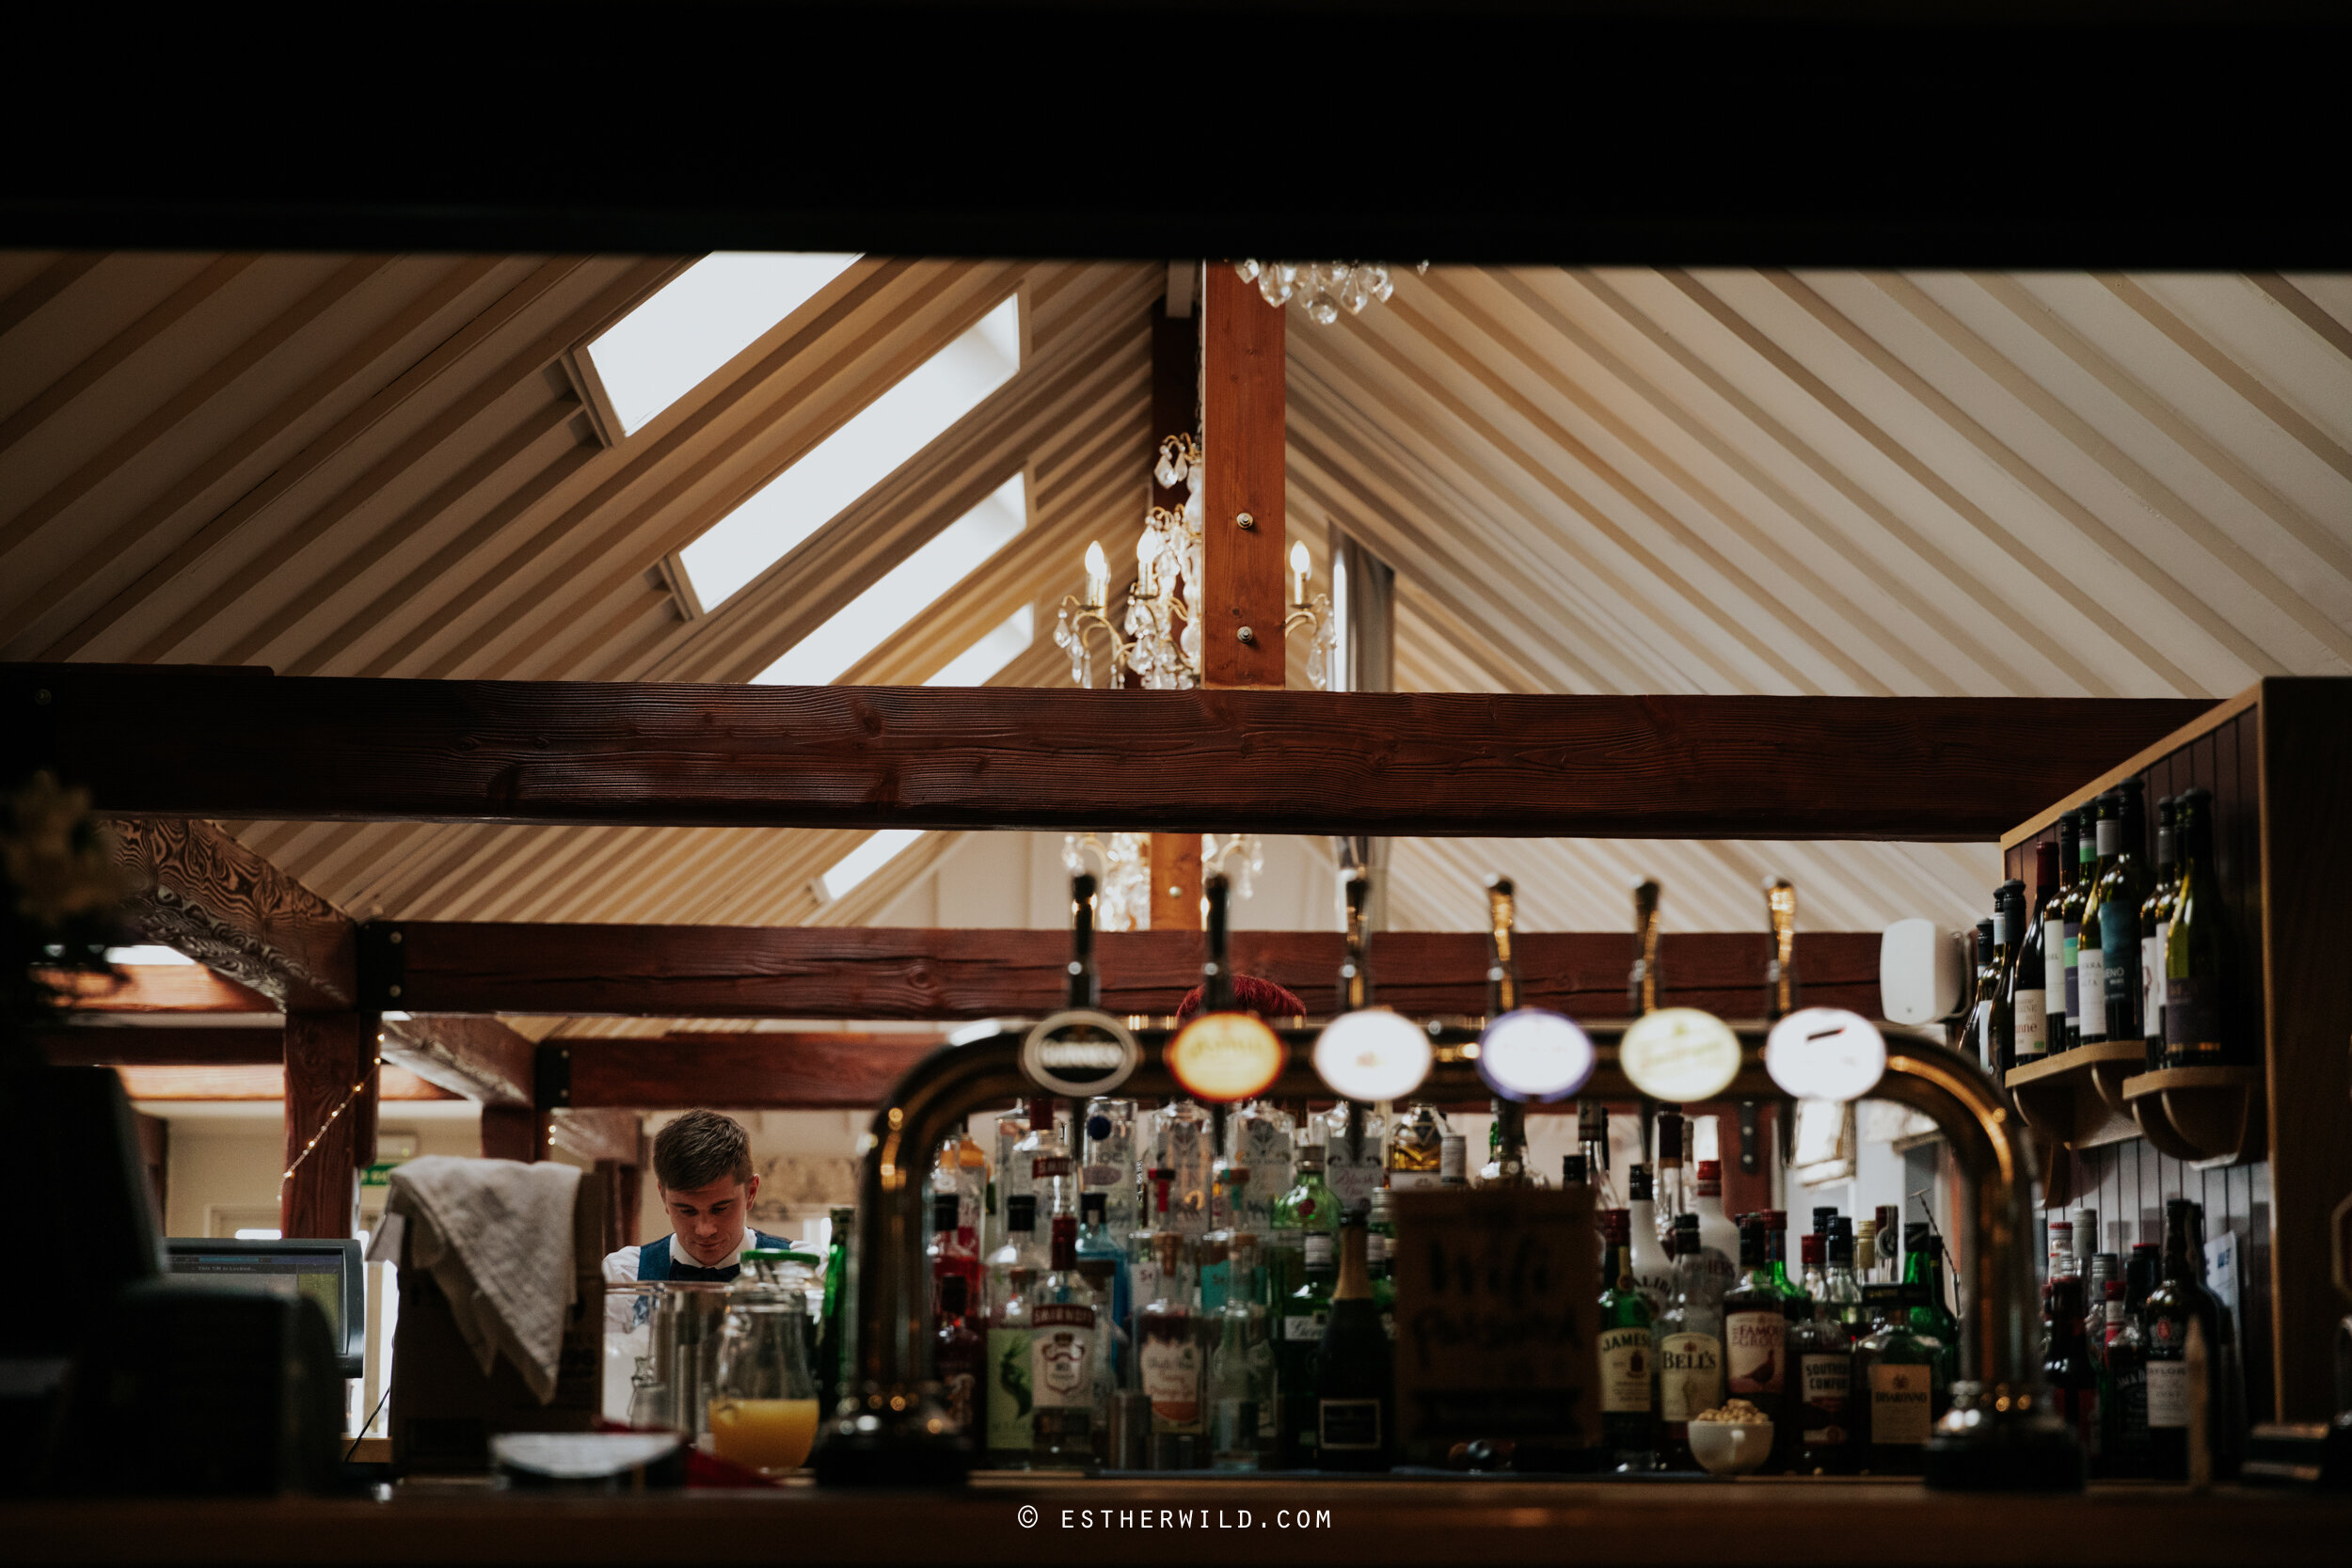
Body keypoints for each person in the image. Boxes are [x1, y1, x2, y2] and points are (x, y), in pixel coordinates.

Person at [604, 1109, 792, 1289]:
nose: (704, 1230)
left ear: (750, 1192)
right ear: (663, 1195)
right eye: (686, 1210)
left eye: (720, 1209)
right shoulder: (622, 1274)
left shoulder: (803, 1270)